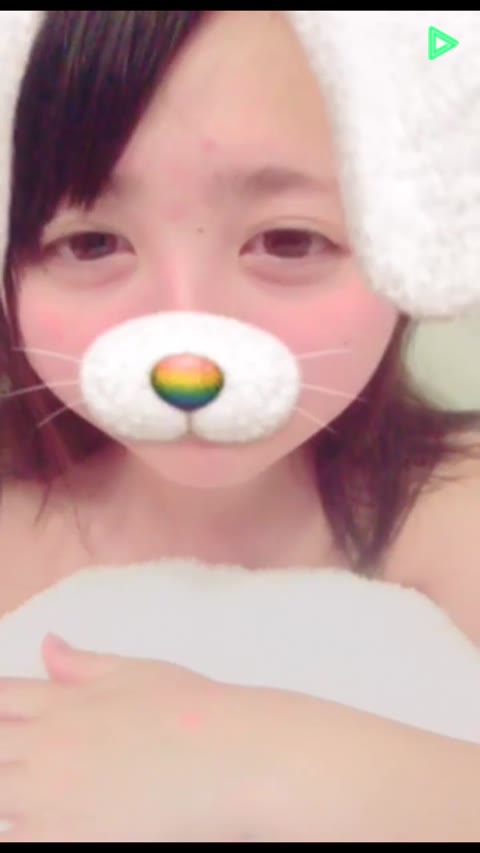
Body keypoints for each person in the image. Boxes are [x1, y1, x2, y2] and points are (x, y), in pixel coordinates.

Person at [0, 10, 478, 843]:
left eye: (288, 240)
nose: (186, 344)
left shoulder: (456, 511)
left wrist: (264, 762)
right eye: (92, 243)